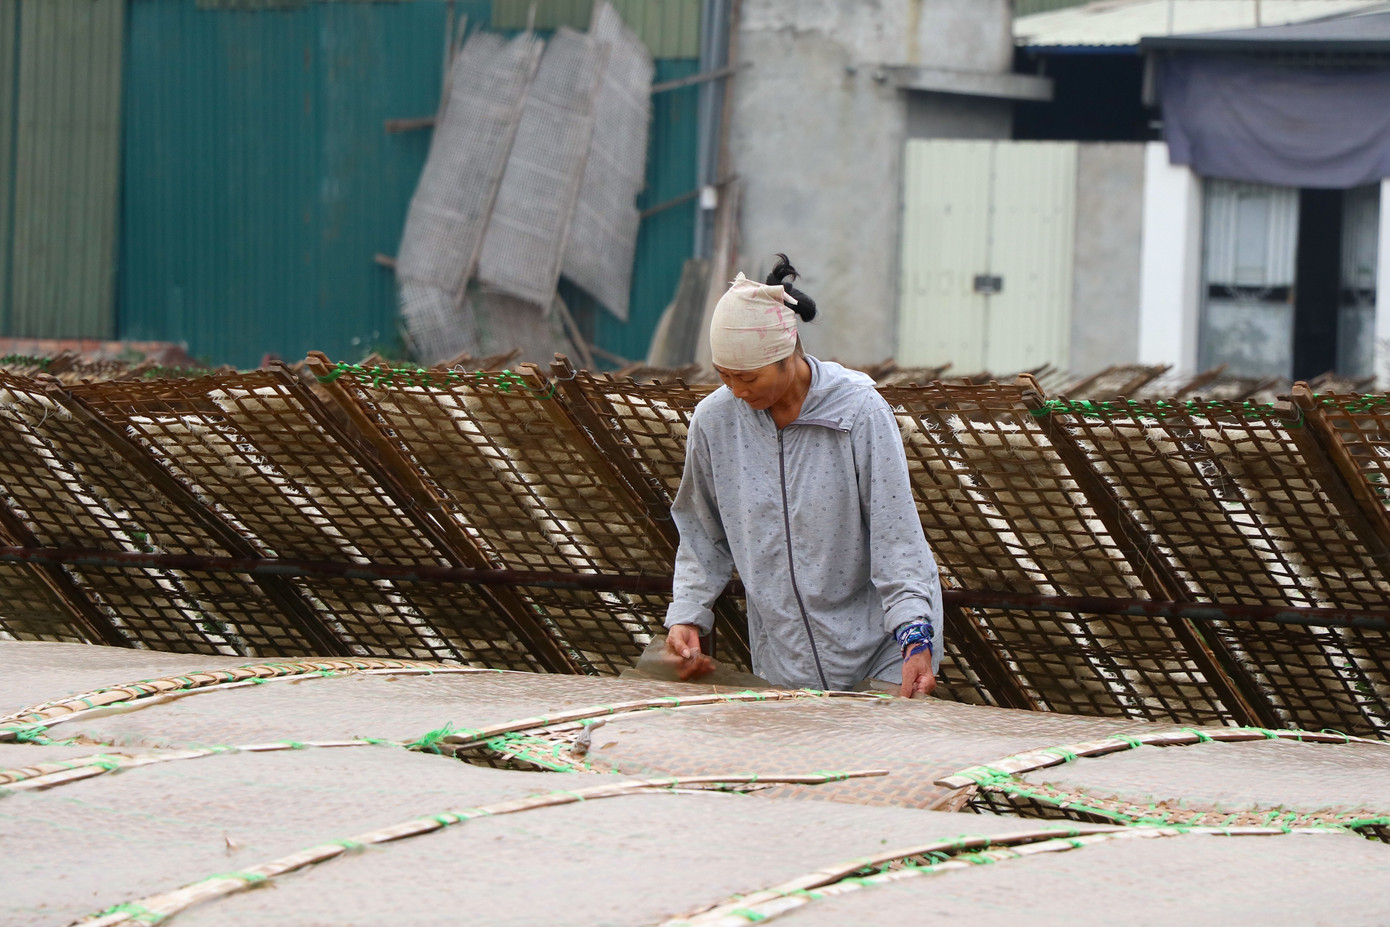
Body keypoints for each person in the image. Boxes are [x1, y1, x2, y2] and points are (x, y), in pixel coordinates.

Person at [662, 255, 943, 697]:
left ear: (786, 357)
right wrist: (687, 613)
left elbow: (897, 535)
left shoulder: (858, 413)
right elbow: (701, 533)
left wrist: (914, 636)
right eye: (724, 376)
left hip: (882, 647)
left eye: (748, 377)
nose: (736, 390)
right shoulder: (714, 422)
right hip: (784, 654)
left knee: (884, 757)